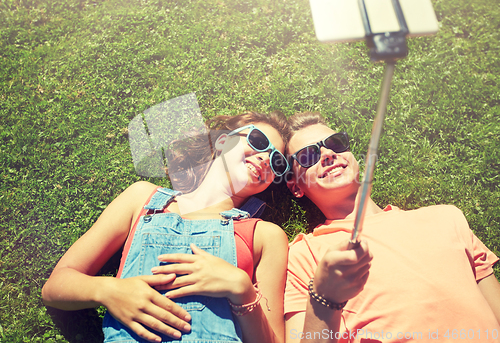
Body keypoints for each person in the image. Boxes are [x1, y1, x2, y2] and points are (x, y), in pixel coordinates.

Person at [42, 111, 290, 343]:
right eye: (258, 141)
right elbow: (56, 286)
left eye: (277, 161)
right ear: (223, 141)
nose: (265, 158)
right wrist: (109, 291)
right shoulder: (143, 199)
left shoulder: (265, 235)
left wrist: (243, 290)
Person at [283, 111, 500, 343]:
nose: (328, 154)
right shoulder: (304, 254)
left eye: (335, 143)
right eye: (307, 156)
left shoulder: (447, 217)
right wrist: (324, 298)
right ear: (296, 187)